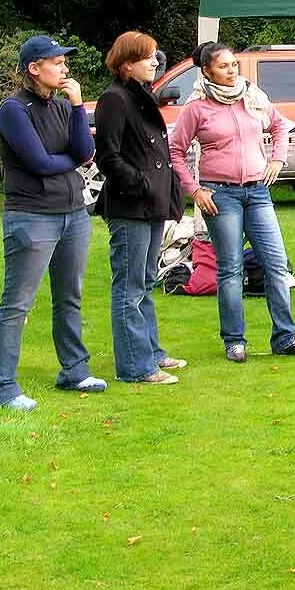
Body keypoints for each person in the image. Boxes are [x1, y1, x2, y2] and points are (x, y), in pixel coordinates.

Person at [169, 41, 295, 362]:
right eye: (223, 66)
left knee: (277, 265)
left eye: (233, 65)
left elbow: (281, 126)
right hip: (220, 195)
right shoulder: (197, 108)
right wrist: (195, 191)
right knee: (230, 269)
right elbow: (175, 152)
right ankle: (234, 341)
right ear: (207, 70)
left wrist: (278, 160)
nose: (231, 71)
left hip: (258, 193)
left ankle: (286, 337)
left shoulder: (252, 98)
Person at [0, 36, 109, 410]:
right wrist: (69, 161)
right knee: (18, 303)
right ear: (34, 68)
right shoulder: (14, 109)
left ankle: (74, 370)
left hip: (73, 212)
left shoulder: (60, 105)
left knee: (69, 296)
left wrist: (75, 106)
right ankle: (2, 385)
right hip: (31, 215)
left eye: (64, 62)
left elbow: (86, 152)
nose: (65, 68)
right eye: (56, 62)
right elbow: (39, 163)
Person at [94, 31, 188, 385]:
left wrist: (165, 191)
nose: (155, 62)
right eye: (147, 57)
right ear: (127, 65)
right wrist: (142, 184)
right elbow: (108, 157)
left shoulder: (139, 95)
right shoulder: (115, 100)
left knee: (145, 282)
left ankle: (151, 353)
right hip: (130, 206)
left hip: (150, 205)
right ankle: (135, 366)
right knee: (129, 287)